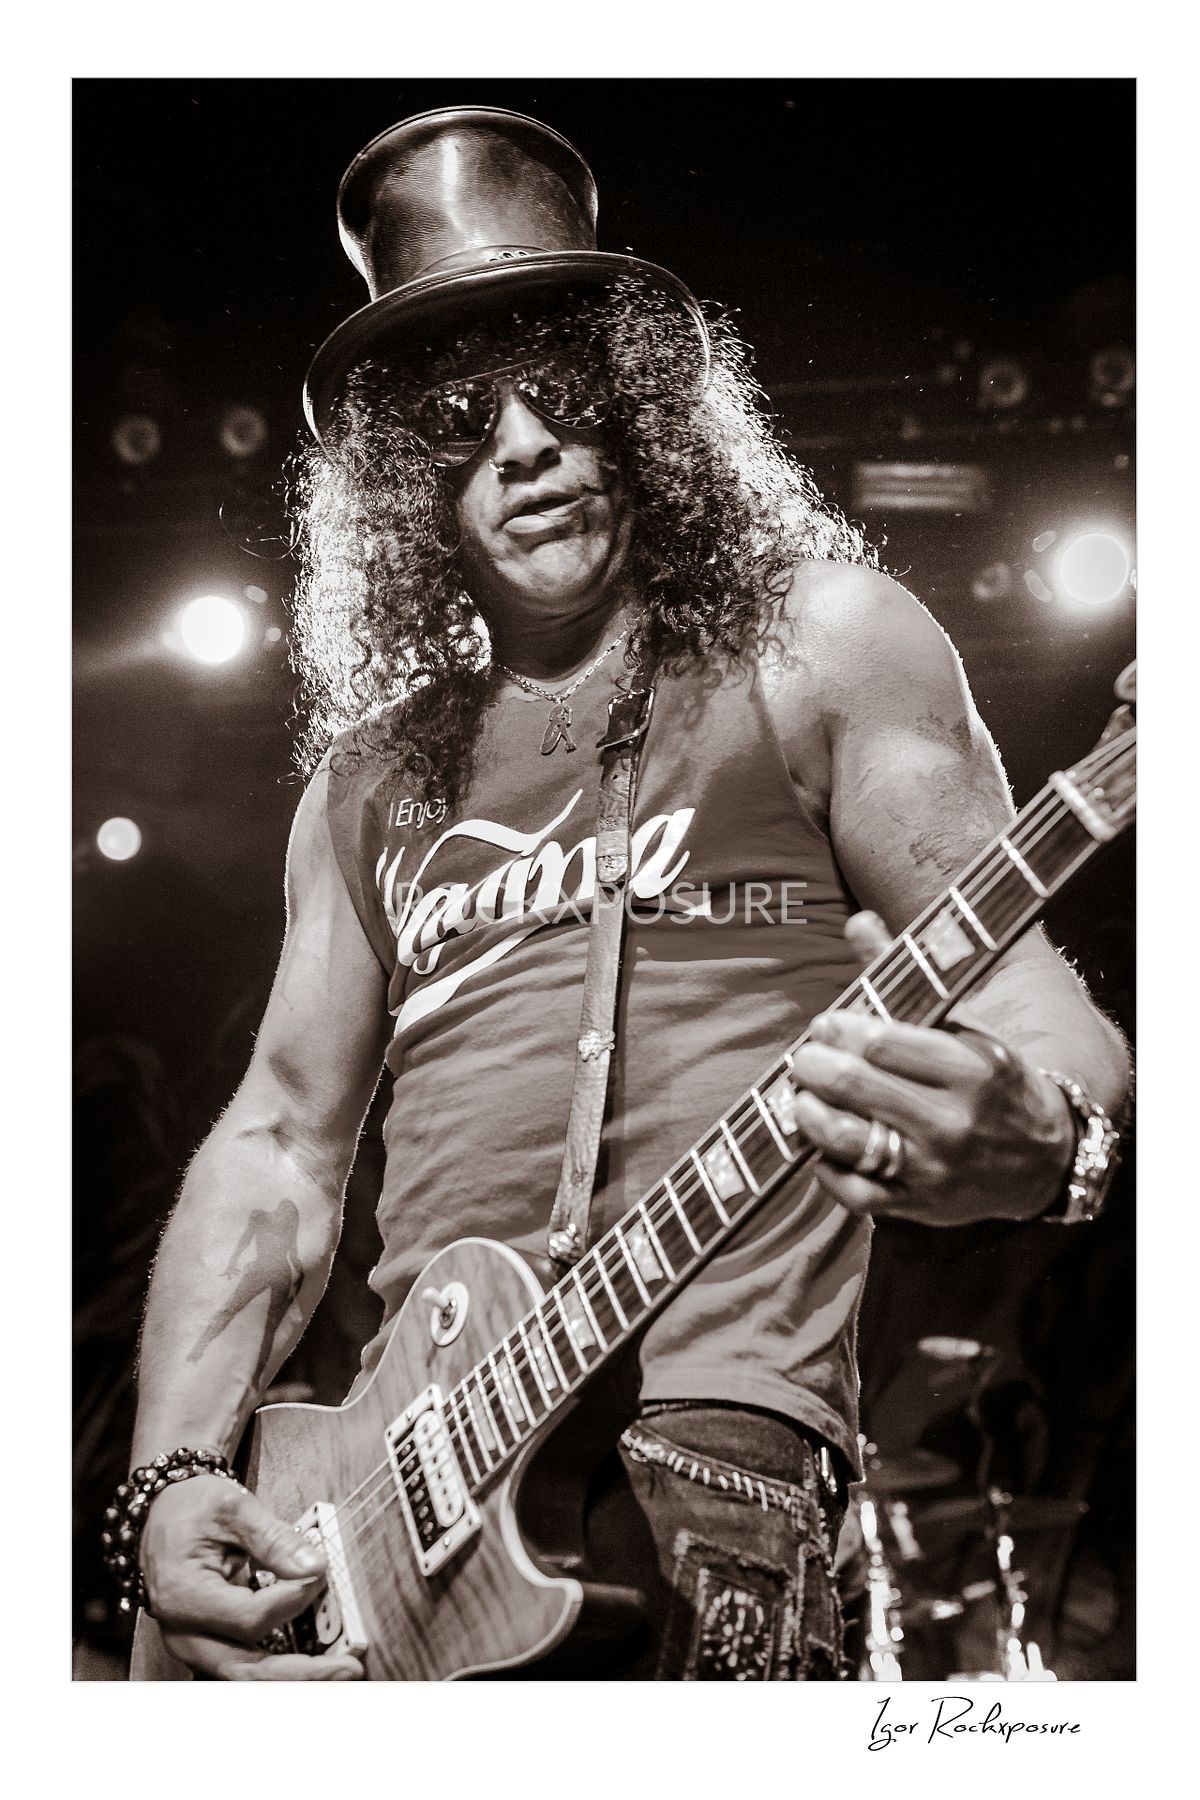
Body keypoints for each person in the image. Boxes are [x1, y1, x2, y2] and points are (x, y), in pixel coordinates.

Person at [119, 106, 1129, 1681]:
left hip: (718, 1451)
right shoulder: (368, 786)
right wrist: (168, 1479)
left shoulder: (824, 643)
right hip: (390, 1506)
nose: (522, 441)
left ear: (641, 409)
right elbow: (277, 1146)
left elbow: (1014, 984)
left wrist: (1055, 1139)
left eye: (567, 390)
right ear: (406, 474)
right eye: (462, 411)